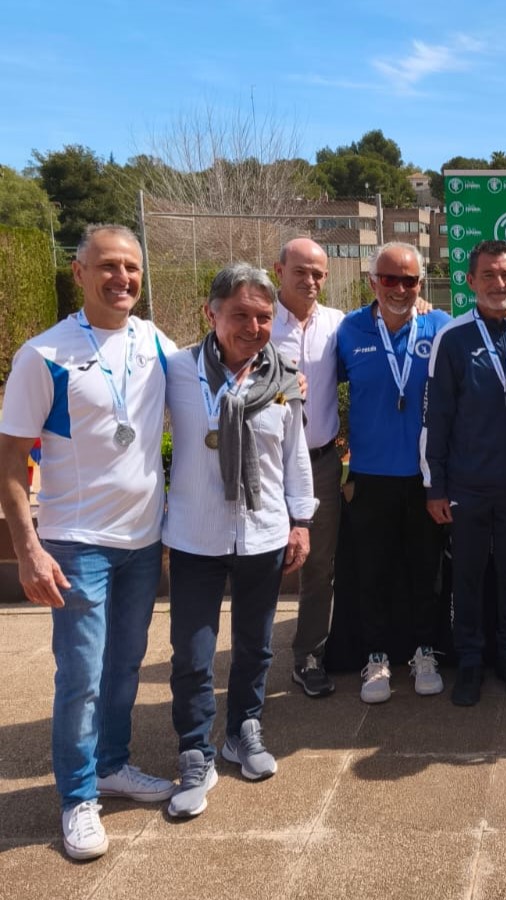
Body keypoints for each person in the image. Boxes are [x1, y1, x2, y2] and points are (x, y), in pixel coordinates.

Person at [0, 224, 175, 860]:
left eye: (131, 267)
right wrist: (28, 549)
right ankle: (77, 799)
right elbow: (11, 458)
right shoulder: (43, 354)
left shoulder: (156, 341)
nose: (121, 278)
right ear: (79, 273)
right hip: (76, 544)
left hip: (141, 539)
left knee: (125, 666)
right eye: (107, 266)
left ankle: (112, 765)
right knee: (81, 678)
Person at [163, 263, 314, 818]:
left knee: (255, 645)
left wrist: (301, 520)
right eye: (240, 315)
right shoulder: (175, 369)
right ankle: (195, 750)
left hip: (263, 533)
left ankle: (243, 730)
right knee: (194, 654)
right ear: (212, 313)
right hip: (195, 535)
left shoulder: (284, 377)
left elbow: (295, 457)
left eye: (264, 316)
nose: (253, 326)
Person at [422, 240, 506, 707]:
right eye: (489, 275)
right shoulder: (451, 338)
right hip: (467, 484)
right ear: (470, 281)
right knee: (468, 578)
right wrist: (436, 485)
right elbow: (437, 419)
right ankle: (470, 662)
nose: (499, 283)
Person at [337, 242, 452, 702]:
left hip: (426, 475)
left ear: (421, 284)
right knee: (373, 571)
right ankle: (376, 658)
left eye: (409, 281)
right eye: (389, 279)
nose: (400, 288)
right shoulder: (348, 330)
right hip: (369, 475)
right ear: (372, 282)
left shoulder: (440, 326)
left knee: (427, 570)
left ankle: (425, 651)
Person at [270, 238, 341, 699]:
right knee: (256, 564)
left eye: (318, 273)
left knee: (319, 565)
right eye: (301, 271)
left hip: (320, 465)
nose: (309, 280)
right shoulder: (258, 322)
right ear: (279, 270)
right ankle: (250, 660)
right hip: (263, 466)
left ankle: (308, 654)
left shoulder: (339, 325)